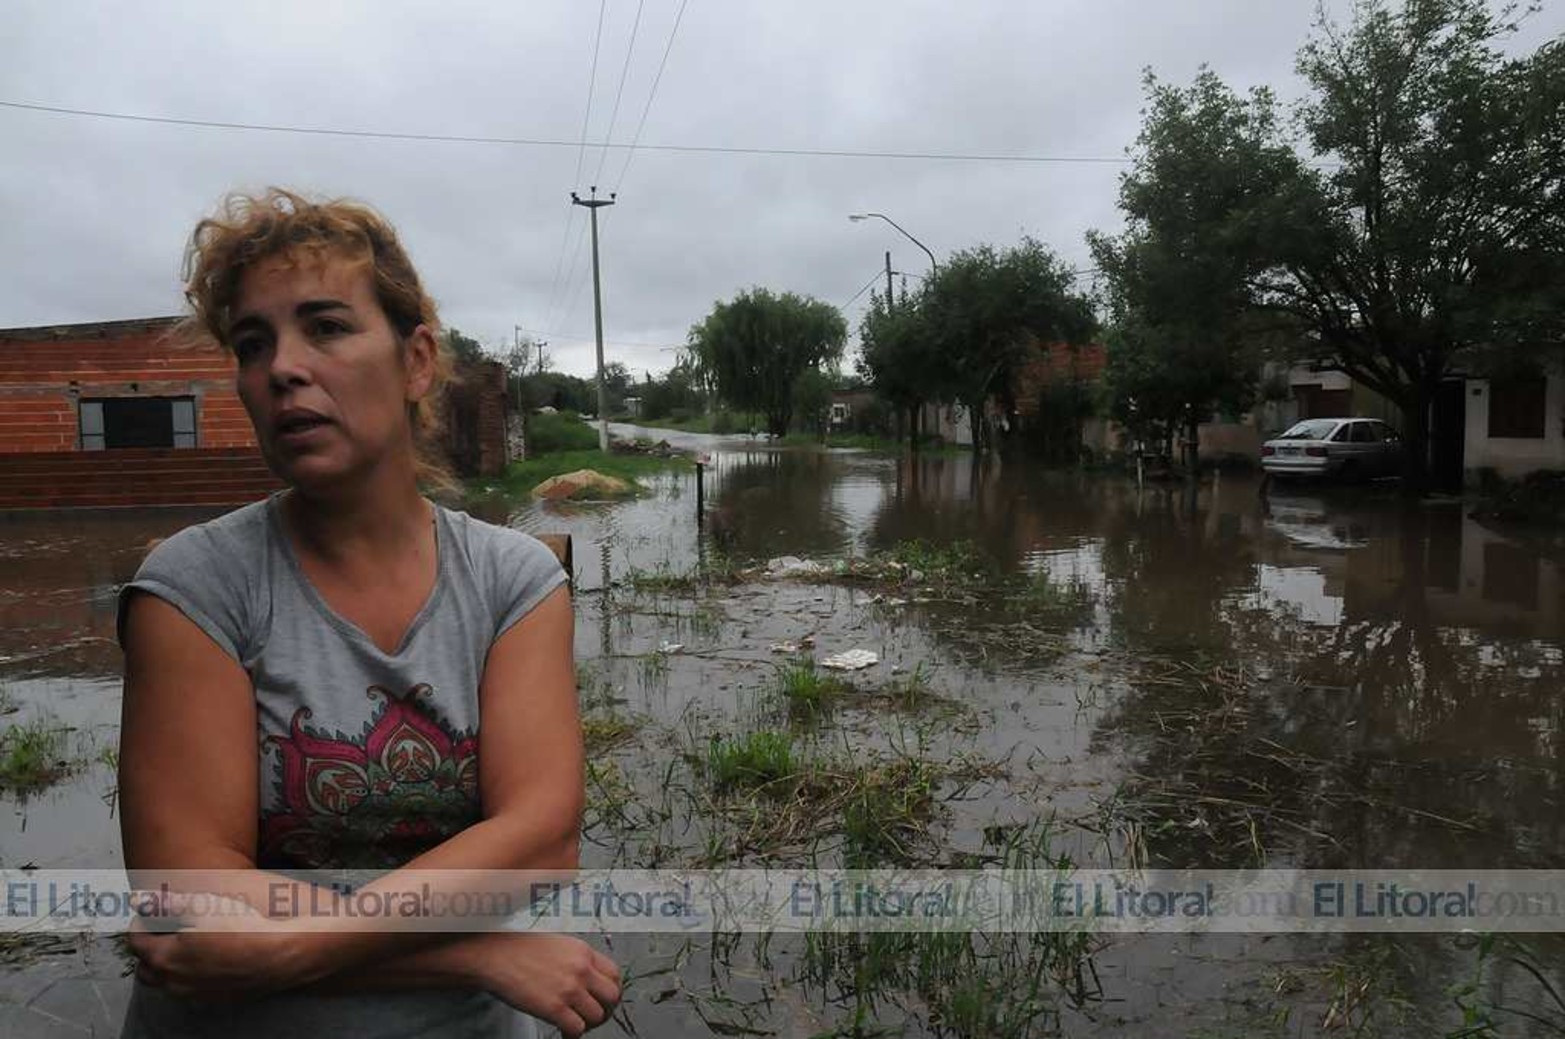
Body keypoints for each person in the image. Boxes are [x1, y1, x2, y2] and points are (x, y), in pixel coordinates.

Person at [115, 188, 620, 1038]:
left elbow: (539, 841)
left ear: (416, 360)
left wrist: (280, 942)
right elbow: (192, 898)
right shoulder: (194, 586)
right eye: (252, 343)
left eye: (326, 326)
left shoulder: (513, 581)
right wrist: (470, 952)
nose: (281, 367)